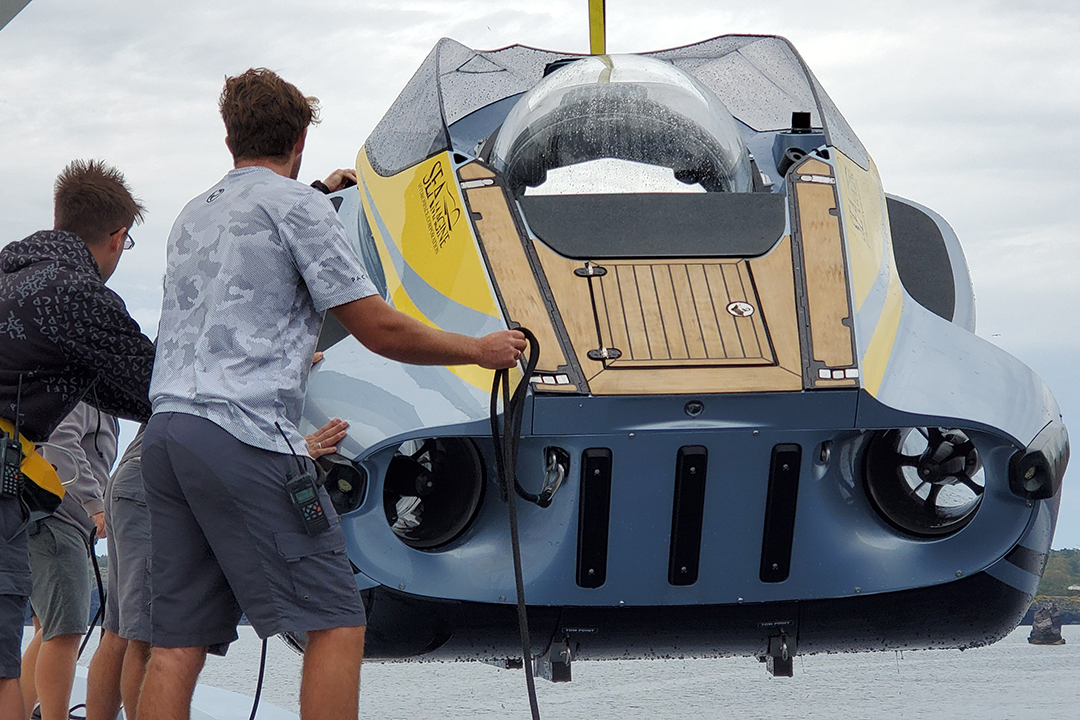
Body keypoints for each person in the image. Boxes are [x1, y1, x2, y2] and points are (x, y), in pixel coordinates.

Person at [137, 67, 525, 720]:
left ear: (229, 138)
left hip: (167, 436)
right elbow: (376, 327)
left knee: (176, 644)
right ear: (301, 140)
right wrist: (480, 350)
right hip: (247, 438)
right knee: (337, 620)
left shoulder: (193, 215)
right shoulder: (298, 207)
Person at [0, 159, 156, 720]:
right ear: (117, 237)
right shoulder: (76, 296)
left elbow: (112, 391)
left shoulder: (11, 274)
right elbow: (153, 387)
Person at [84, 413, 347, 720]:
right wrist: (290, 450)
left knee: (120, 632)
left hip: (139, 477)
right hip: (161, 482)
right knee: (147, 636)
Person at [21, 402, 118, 720]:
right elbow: (61, 443)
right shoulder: (85, 398)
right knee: (63, 631)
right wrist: (95, 503)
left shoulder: (103, 405)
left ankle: (25, 712)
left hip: (53, 524)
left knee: (48, 629)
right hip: (57, 522)